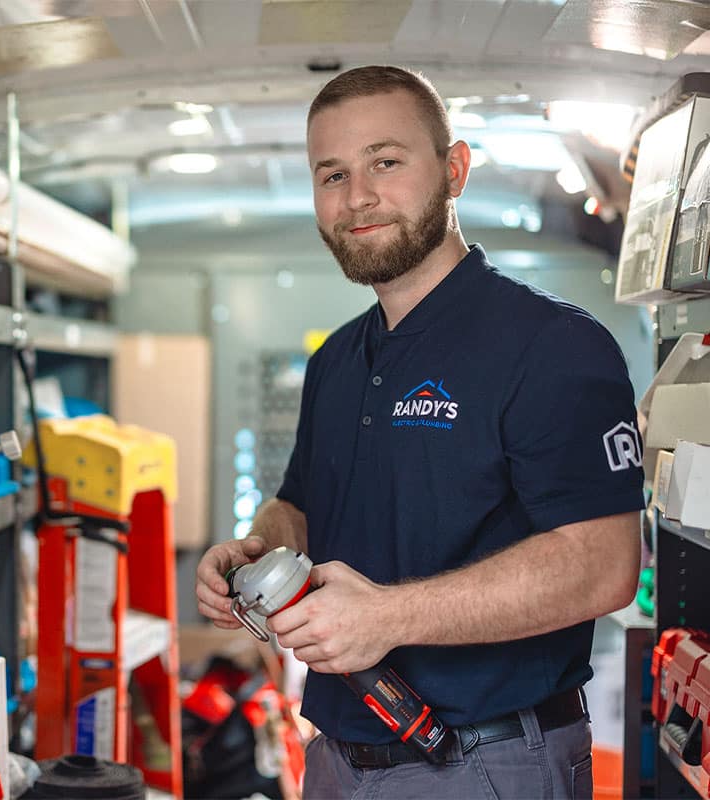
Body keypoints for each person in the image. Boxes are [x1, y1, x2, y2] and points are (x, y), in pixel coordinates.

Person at [196, 65, 644, 799]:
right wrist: (254, 555)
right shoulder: (335, 362)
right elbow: (299, 508)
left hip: (488, 760)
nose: (358, 196)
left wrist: (388, 617)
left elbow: (604, 565)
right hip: (337, 758)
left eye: (386, 161)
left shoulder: (553, 345)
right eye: (331, 174)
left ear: (455, 169)